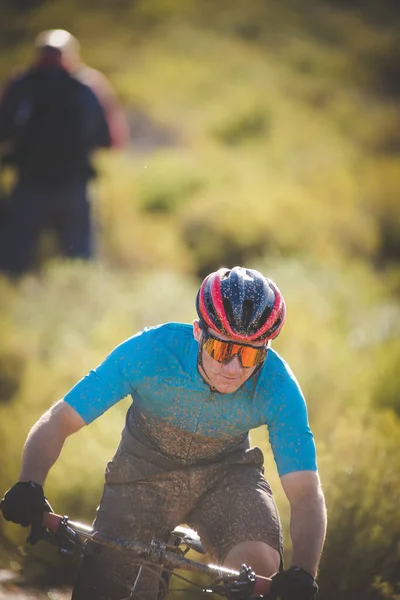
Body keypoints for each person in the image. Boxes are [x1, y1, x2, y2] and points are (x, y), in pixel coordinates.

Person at [1, 266, 327, 600]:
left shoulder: (278, 385)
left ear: (265, 351)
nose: (234, 368)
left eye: (249, 354)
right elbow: (60, 420)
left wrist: (304, 571)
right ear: (199, 332)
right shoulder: (149, 352)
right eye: (223, 350)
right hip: (142, 474)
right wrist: (30, 482)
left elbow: (304, 492)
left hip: (227, 479)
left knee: (258, 575)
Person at [0, 29, 129, 276]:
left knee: (15, 258)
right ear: (71, 55)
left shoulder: (21, 85)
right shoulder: (89, 86)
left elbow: (4, 130)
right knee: (80, 258)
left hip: (29, 185)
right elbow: (113, 139)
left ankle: (14, 298)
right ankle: (78, 298)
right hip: (73, 186)